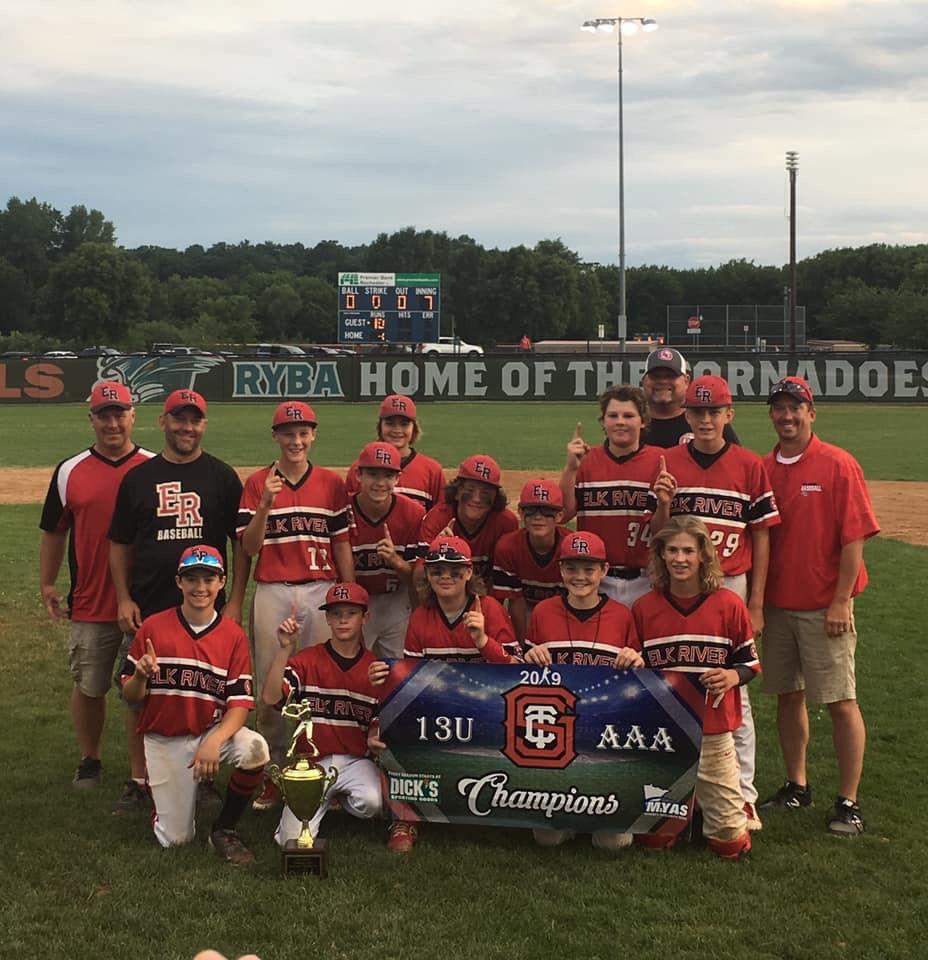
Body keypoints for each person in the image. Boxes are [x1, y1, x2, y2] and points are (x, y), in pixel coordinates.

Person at [108, 388, 249, 814]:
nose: (186, 427)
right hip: (152, 602)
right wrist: (123, 597)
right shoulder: (138, 478)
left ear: (204, 424)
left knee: (207, 690)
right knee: (141, 689)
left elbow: (240, 545)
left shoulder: (222, 477)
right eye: (178, 418)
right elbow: (120, 543)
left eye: (194, 420)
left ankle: (203, 776)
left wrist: (236, 598)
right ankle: (140, 779)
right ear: (162, 422)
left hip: (208, 603)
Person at [653, 374, 779, 829]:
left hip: (729, 585)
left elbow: (762, 536)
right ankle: (682, 789)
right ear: (686, 414)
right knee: (676, 682)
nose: (706, 419)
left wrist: (757, 603)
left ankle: (741, 792)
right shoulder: (669, 460)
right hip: (679, 586)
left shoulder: (749, 465)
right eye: (698, 411)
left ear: (729, 414)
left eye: (714, 411)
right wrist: (664, 504)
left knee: (734, 690)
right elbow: (659, 535)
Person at [759, 377, 879, 836]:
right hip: (777, 604)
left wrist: (841, 600)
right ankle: (797, 783)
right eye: (779, 408)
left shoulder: (836, 464)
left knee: (840, 701)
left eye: (796, 408)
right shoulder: (764, 467)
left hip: (824, 606)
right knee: (789, 697)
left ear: (812, 413)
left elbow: (854, 539)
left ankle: (848, 800)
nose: (787, 416)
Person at [236, 400, 355, 811]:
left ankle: (320, 769)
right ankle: (272, 774)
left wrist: (351, 592)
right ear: (275, 436)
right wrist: (265, 505)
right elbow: (249, 548)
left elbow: (341, 542)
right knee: (273, 687)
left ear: (314, 435)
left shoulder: (331, 483)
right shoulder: (256, 483)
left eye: (303, 432)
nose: (296, 439)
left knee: (320, 684)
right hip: (273, 589)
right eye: (288, 432)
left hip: (321, 590)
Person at [119, 545, 268, 865]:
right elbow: (131, 698)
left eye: (208, 578)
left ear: (221, 582)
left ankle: (225, 828)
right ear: (178, 582)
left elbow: (240, 704)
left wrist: (213, 742)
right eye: (192, 578)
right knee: (176, 841)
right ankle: (171, 796)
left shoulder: (233, 635)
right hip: (165, 737)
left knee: (255, 748)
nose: (200, 587)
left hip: (210, 731)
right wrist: (141, 678)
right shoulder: (153, 628)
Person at [369, 534, 517, 853]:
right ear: (428, 576)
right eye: (436, 571)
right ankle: (405, 817)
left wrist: (482, 641)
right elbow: (412, 679)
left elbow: (515, 671)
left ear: (468, 573)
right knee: (396, 732)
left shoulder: (488, 608)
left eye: (453, 570)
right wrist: (385, 684)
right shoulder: (422, 616)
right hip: (441, 710)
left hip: (489, 711)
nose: (445, 577)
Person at [39, 381, 153, 788]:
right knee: (89, 685)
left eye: (119, 413)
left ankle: (142, 772)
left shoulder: (154, 467)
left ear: (133, 415)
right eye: (103, 414)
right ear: (91, 418)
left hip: (144, 603)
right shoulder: (70, 470)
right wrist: (48, 584)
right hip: (89, 599)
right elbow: (54, 531)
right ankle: (91, 758)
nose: (112, 422)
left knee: (140, 693)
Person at [632, 516, 759, 859]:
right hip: (663, 732)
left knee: (729, 844)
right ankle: (690, 806)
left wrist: (732, 676)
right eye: (671, 550)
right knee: (652, 839)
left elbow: (749, 662)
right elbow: (636, 666)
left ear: (704, 554)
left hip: (713, 728)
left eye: (689, 550)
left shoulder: (728, 603)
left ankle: (711, 806)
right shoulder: (645, 608)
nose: (680, 558)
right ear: (660, 555)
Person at [524, 531, 643, 851]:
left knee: (613, 843)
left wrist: (636, 661)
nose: (580, 577)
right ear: (560, 571)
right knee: (546, 837)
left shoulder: (622, 615)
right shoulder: (543, 612)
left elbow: (639, 684)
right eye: (572, 568)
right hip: (555, 737)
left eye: (589, 569)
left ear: (604, 571)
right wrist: (529, 658)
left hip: (603, 737)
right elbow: (525, 680)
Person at [261, 582, 382, 847]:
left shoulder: (375, 669)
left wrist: (375, 737)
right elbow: (270, 697)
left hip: (355, 762)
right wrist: (284, 649)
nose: (342, 620)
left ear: (365, 618)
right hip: (312, 765)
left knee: (372, 802)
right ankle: (320, 802)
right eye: (336, 614)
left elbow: (378, 723)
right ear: (327, 618)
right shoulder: (306, 660)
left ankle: (337, 798)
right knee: (289, 841)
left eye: (350, 613)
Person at [558, 385, 675, 608]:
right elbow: (563, 514)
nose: (620, 421)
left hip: (646, 578)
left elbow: (663, 532)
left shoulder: (660, 461)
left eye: (628, 415)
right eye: (613, 415)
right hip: (596, 579)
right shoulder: (587, 460)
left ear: (643, 421)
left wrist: (664, 504)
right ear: (603, 421)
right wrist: (571, 468)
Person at [348, 441, 425, 657]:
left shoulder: (413, 514)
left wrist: (395, 560)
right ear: (359, 475)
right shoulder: (343, 510)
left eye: (388, 476)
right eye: (373, 474)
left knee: (401, 671)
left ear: (398, 478)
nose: (380, 483)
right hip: (356, 601)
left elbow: (418, 581)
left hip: (397, 599)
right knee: (352, 666)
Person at [491, 478, 569, 643]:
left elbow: (578, 600)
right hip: (526, 608)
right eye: (531, 510)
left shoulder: (570, 546)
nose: (538, 516)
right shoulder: (508, 547)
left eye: (547, 510)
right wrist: (522, 645)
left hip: (564, 610)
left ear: (560, 515)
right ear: (520, 512)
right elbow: (515, 602)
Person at [420, 454, 518, 582]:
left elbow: (505, 584)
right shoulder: (438, 518)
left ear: (495, 498)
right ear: (457, 492)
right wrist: (434, 552)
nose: (477, 499)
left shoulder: (506, 523)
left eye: (485, 492)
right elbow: (418, 580)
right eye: (470, 489)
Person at [345, 395, 445, 511]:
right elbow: (347, 511)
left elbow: (441, 514)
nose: (397, 430)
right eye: (390, 423)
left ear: (414, 428)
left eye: (404, 424)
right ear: (380, 426)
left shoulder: (432, 471)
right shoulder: (361, 468)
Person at [641, 347, 739, 448]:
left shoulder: (704, 421)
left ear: (686, 381)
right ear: (643, 381)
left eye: (670, 376)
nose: (663, 381)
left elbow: (733, 459)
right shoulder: (632, 422)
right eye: (655, 376)